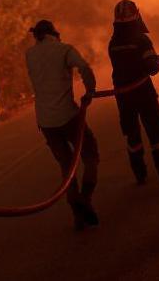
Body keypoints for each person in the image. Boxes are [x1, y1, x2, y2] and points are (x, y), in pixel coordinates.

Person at [25, 20, 100, 230]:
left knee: (67, 168)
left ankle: (77, 215)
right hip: (68, 116)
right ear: (54, 34)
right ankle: (85, 200)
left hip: (45, 122)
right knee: (90, 155)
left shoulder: (29, 55)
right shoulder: (64, 49)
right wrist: (90, 90)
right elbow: (84, 68)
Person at [108, 0, 159, 191]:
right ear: (136, 15)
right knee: (156, 135)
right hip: (143, 93)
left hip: (123, 96)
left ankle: (140, 174)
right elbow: (151, 68)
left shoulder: (113, 42)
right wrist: (157, 60)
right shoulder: (141, 39)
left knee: (132, 134)